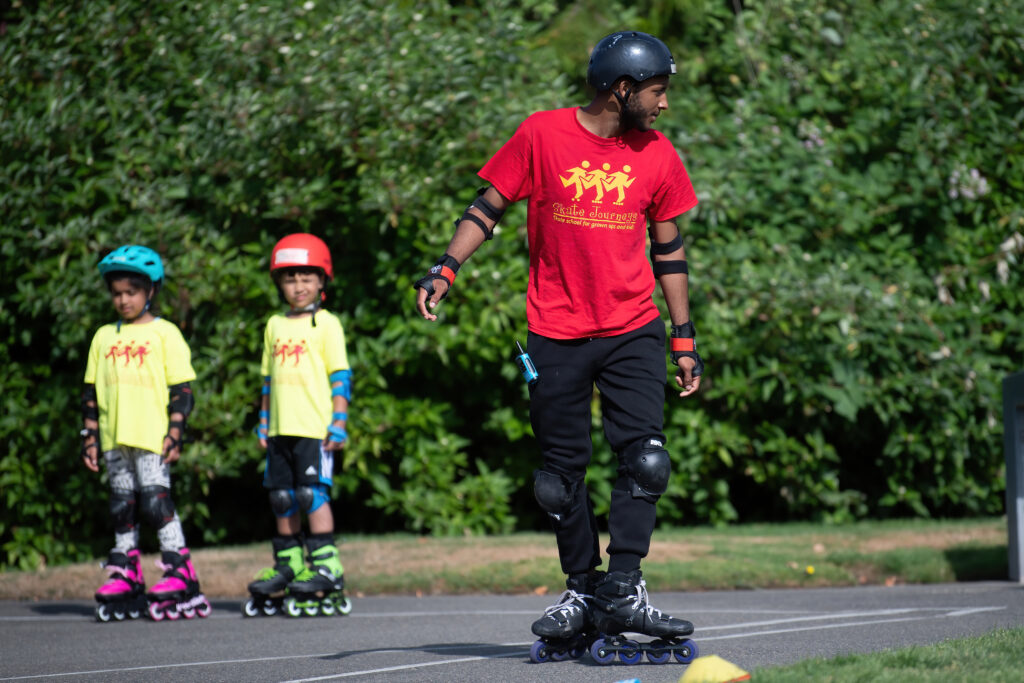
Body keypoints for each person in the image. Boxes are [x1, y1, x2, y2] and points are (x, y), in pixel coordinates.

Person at [412, 31, 705, 654]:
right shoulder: (541, 135)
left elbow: (670, 250)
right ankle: (582, 587)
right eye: (657, 91)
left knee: (646, 459)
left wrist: (683, 338)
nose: (663, 104)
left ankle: (624, 584)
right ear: (621, 89)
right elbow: (485, 207)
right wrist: (446, 268)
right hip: (554, 329)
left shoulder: (657, 153)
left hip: (631, 329)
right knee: (557, 477)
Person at [82, 244, 210, 622]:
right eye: (117, 293)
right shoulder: (103, 336)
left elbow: (183, 390)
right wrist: (88, 437)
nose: (123, 300)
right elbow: (91, 393)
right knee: (122, 506)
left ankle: (179, 568)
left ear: (150, 291)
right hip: (114, 437)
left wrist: (175, 433)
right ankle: (126, 570)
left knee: (155, 502)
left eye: (131, 292)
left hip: (152, 436)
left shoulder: (164, 333)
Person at [246, 233, 354, 618]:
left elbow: (340, 377)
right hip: (279, 428)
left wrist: (338, 422)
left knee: (312, 494)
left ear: (322, 281)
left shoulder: (327, 324)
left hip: (314, 427)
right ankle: (289, 563)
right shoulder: (274, 325)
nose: (298, 286)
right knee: (281, 497)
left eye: (307, 278)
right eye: (290, 279)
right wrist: (263, 421)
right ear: (280, 283)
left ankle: (327, 565)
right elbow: (268, 380)